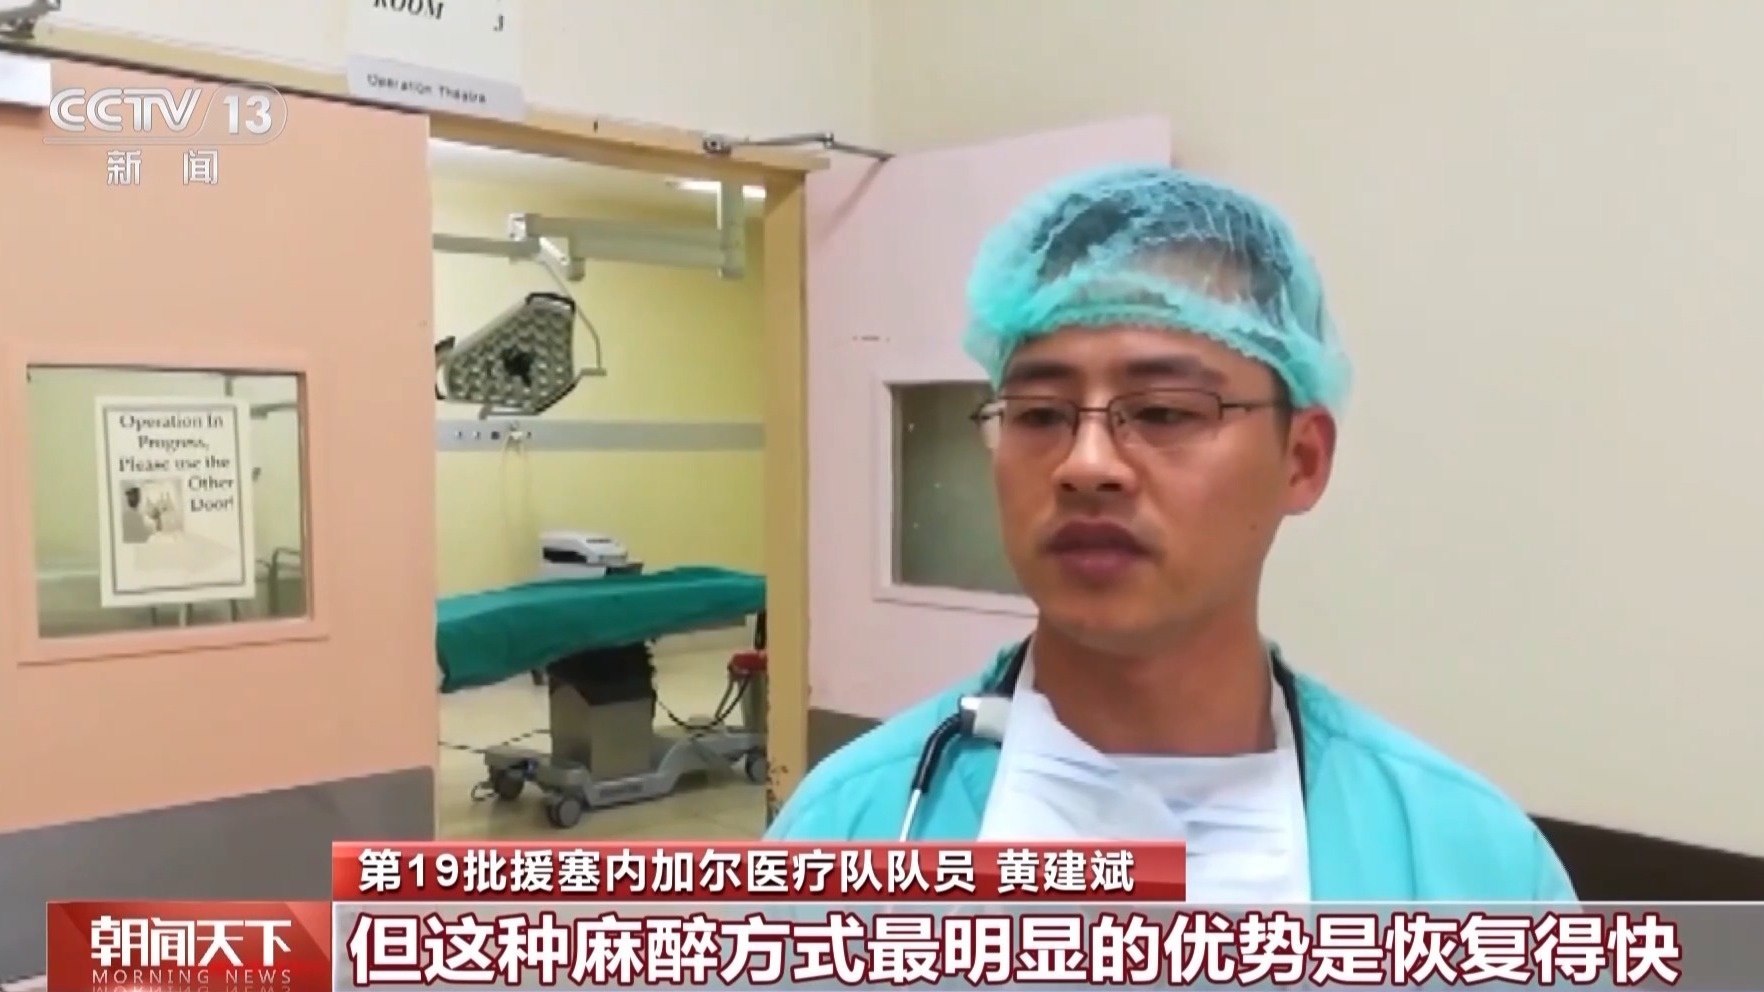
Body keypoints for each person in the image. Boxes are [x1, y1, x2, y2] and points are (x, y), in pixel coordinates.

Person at [765, 164, 1577, 903]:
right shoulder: (846, 829)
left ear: (1301, 460)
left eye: (1162, 412)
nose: (1086, 464)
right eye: (1039, 414)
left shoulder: (1474, 867)